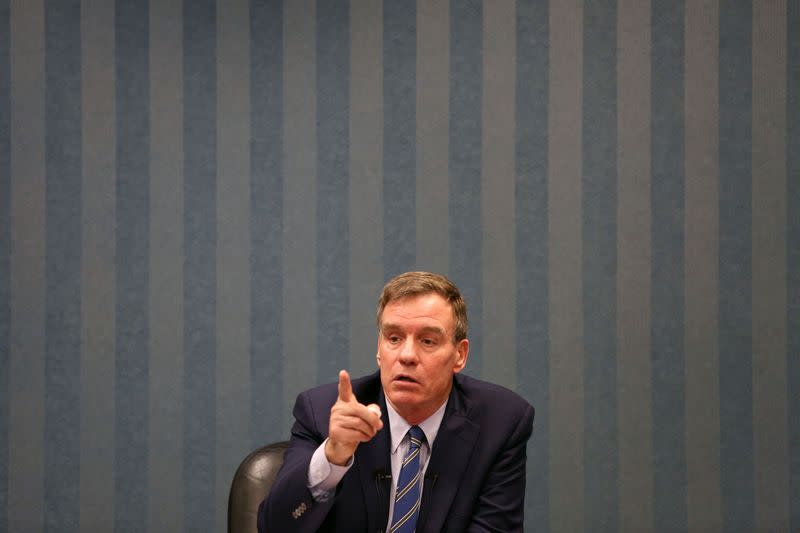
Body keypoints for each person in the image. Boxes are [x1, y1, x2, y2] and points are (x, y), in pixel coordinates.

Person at [258, 271, 535, 532]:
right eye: (394, 338)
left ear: (460, 355)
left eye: (427, 341)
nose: (407, 355)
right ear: (379, 349)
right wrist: (332, 457)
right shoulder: (321, 412)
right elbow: (274, 527)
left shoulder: (500, 422)